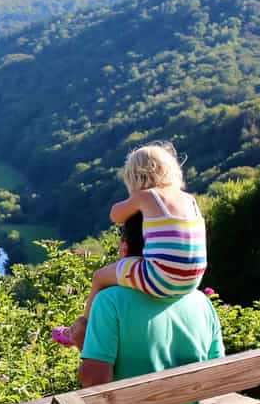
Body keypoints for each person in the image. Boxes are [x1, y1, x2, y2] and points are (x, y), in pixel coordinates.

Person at [75, 211, 224, 404]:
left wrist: (82, 342)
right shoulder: (200, 302)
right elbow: (215, 373)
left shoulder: (110, 300)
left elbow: (94, 383)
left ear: (126, 251)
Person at [53, 142, 207, 348]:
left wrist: (133, 201)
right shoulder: (190, 200)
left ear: (135, 175)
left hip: (160, 277)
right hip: (192, 280)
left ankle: (83, 330)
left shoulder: (146, 196)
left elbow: (116, 215)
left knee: (100, 277)